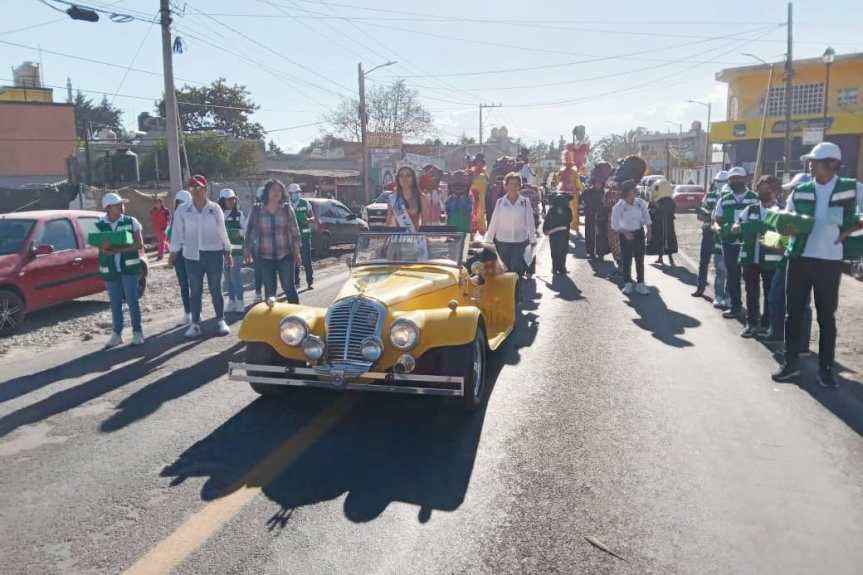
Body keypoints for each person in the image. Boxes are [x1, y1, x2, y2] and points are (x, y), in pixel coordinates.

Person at [773, 142, 863, 387]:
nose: (810, 165)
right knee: (792, 314)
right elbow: (783, 219)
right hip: (800, 258)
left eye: (815, 161)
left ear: (832, 163)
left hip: (829, 262)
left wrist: (849, 231)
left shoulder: (852, 188)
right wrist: (786, 230)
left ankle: (825, 369)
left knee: (826, 317)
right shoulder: (800, 190)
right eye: (810, 162)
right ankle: (790, 364)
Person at [169, 175, 233, 338]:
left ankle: (220, 320)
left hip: (213, 254)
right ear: (190, 190)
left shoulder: (214, 208)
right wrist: (173, 252)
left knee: (215, 289)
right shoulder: (183, 210)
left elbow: (222, 230)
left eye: (199, 188)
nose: (197, 191)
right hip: (192, 255)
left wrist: (227, 250)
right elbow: (177, 233)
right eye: (193, 188)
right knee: (195, 291)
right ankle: (195, 324)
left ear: (205, 189)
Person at [734, 175, 781, 338]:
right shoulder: (751, 209)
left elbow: (786, 238)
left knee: (770, 294)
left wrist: (766, 238)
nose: (763, 193)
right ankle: (751, 323)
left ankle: (766, 325)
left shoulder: (780, 212)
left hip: (771, 261)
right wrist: (738, 228)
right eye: (760, 190)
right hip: (749, 259)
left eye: (767, 190)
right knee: (751, 292)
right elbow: (737, 224)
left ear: (775, 191)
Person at [97, 193, 145, 348]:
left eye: (121, 204)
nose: (122, 207)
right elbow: (96, 243)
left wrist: (118, 249)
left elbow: (139, 244)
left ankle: (137, 332)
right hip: (110, 270)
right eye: (118, 205)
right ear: (109, 208)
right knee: (115, 303)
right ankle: (117, 334)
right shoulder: (100, 223)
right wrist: (104, 247)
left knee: (132, 301)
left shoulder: (131, 222)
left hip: (129, 268)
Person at [244, 179, 302, 304]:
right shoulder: (257, 210)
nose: (276, 193)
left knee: (289, 288)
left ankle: (296, 318)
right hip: (265, 257)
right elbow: (250, 231)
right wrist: (247, 250)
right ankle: (273, 321)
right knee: (270, 293)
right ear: (267, 192)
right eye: (273, 189)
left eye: (279, 190)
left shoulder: (287, 209)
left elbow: (295, 232)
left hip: (285, 255)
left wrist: (297, 253)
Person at [712, 166, 758, 319]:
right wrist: (718, 229)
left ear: (746, 179)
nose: (735, 181)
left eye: (738, 178)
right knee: (732, 276)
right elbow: (716, 221)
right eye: (732, 178)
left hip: (749, 245)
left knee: (750, 279)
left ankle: (753, 312)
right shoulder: (724, 200)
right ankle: (735, 306)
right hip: (729, 244)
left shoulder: (754, 198)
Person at [485, 172, 537, 278]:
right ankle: (507, 293)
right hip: (503, 242)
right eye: (511, 184)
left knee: (516, 269)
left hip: (520, 241)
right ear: (506, 186)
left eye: (516, 184)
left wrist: (532, 240)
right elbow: (494, 222)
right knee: (504, 270)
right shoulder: (500, 202)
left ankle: (517, 292)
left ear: (520, 186)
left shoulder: (525, 202)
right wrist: (488, 240)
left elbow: (530, 223)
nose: (513, 187)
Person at [611, 180, 652, 295]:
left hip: (639, 233)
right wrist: (624, 232)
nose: (636, 190)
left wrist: (649, 231)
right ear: (629, 191)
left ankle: (640, 284)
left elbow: (647, 217)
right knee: (627, 260)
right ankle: (628, 283)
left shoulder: (640, 203)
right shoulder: (619, 205)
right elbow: (614, 224)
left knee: (640, 259)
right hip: (626, 235)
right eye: (634, 189)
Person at [693, 171, 729, 302]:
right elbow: (701, 214)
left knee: (723, 265)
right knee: (704, 261)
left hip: (723, 234)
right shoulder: (710, 195)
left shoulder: (731, 197)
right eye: (718, 182)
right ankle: (700, 287)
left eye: (723, 182)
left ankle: (724, 294)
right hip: (708, 233)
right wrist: (706, 216)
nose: (721, 184)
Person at [218, 188, 247, 313]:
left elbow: (245, 231)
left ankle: (240, 302)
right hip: (222, 252)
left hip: (236, 252)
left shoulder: (239, 214)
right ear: (222, 201)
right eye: (228, 199)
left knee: (236, 276)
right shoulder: (218, 214)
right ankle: (232, 301)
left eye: (233, 199)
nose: (231, 201)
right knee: (228, 278)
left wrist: (236, 232)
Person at [168, 190, 192, 325]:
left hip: (190, 255)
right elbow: (172, 238)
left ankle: (196, 312)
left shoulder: (192, 218)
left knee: (194, 285)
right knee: (183, 285)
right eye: (178, 203)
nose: (179, 206)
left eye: (182, 203)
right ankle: (187, 313)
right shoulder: (174, 218)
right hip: (178, 257)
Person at [288, 183, 314, 290]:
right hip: (292, 238)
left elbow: (313, 217)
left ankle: (310, 281)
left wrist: (306, 220)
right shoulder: (287, 205)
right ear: (290, 194)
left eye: (298, 192)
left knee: (307, 260)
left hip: (305, 236)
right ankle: (296, 282)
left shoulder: (305, 203)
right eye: (295, 193)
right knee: (294, 261)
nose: (297, 195)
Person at [648, 179, 678, 266]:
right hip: (659, 224)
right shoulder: (657, 200)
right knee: (660, 240)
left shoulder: (669, 201)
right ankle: (661, 258)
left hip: (666, 225)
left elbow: (667, 210)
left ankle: (670, 259)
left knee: (667, 240)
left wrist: (655, 205)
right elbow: (650, 210)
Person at [543, 190, 573, 274]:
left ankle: (559, 267)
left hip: (559, 234)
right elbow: (570, 219)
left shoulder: (562, 209)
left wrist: (545, 228)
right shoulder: (565, 209)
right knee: (559, 251)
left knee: (559, 250)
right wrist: (545, 229)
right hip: (558, 234)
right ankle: (558, 267)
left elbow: (570, 219)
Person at [386, 166, 423, 231]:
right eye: (401, 176)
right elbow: (388, 223)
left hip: (415, 238)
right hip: (399, 238)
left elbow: (425, 224)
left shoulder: (421, 198)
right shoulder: (393, 198)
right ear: (398, 179)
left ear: (413, 178)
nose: (404, 179)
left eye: (408, 175)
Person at [581, 177, 604, 259]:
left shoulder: (604, 192)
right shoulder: (588, 191)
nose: (598, 185)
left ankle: (601, 252)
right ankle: (591, 252)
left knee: (601, 235)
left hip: (601, 216)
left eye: (600, 183)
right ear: (594, 183)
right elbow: (583, 199)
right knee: (590, 234)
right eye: (597, 183)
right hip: (590, 215)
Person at [445, 170, 473, 234]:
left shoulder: (468, 199)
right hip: (452, 227)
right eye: (455, 185)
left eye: (462, 185)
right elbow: (448, 210)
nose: (459, 187)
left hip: (464, 227)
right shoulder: (450, 199)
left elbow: (468, 210)